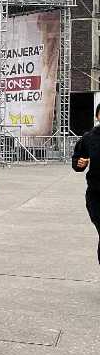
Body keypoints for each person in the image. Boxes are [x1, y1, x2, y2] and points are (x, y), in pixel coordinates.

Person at [72, 102, 100, 264]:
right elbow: (77, 161)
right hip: (96, 196)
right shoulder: (89, 138)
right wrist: (79, 163)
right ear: (97, 116)